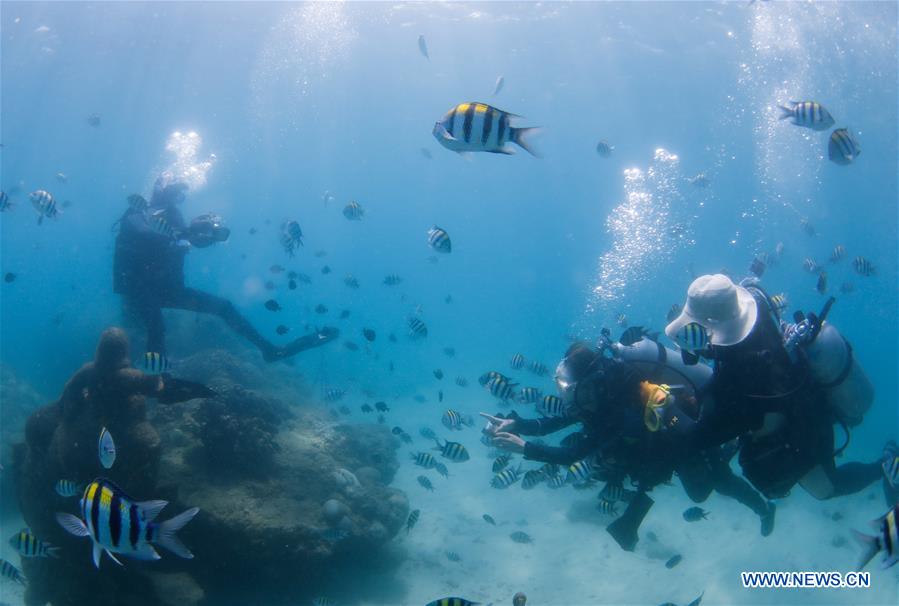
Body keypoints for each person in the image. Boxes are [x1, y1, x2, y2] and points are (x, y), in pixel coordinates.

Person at [483, 340, 774, 551]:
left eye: (568, 389)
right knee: (702, 492)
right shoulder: (593, 397)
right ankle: (732, 460)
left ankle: (761, 504)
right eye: (562, 388)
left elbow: (572, 453)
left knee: (713, 486)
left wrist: (525, 449)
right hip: (656, 454)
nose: (566, 395)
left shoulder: (619, 408)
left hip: (681, 445)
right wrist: (517, 423)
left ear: (590, 382)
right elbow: (555, 421)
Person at [665, 274, 885, 501]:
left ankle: (884, 467)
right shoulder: (748, 326)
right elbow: (724, 380)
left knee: (826, 488)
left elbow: (710, 431)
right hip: (792, 403)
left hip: (804, 425)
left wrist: (671, 421)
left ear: (712, 329)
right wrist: (699, 396)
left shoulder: (750, 371)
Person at [113, 173, 337, 366]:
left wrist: (204, 236)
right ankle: (158, 382)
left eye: (178, 195)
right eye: (173, 192)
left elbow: (185, 240)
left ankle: (269, 350)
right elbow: (143, 232)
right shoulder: (138, 212)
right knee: (155, 323)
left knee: (224, 307)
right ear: (159, 191)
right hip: (137, 289)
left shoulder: (174, 216)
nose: (175, 199)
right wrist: (185, 233)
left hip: (168, 289)